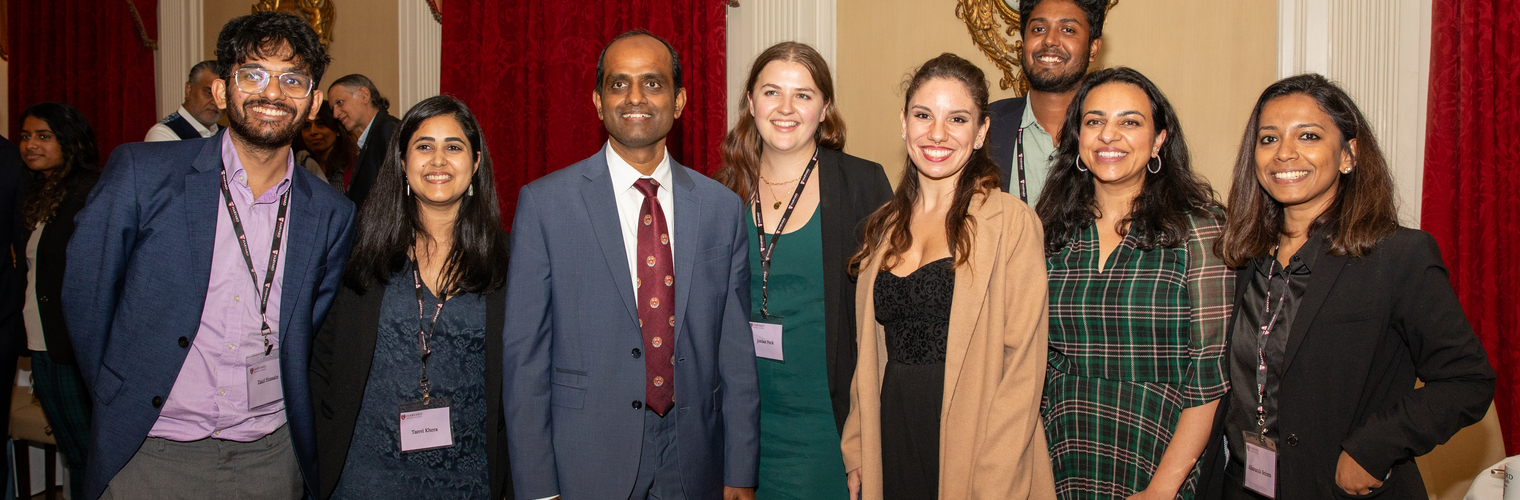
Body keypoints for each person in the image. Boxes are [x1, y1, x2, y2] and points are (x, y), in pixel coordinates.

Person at [63, 12, 354, 500]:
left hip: (270, 456)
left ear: (314, 101)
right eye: (253, 74)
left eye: (292, 79)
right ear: (221, 92)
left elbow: (310, 326)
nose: (272, 92)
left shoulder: (331, 212)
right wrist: (121, 397)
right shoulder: (143, 174)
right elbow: (86, 298)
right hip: (151, 452)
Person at [503, 29, 760, 500]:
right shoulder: (545, 205)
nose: (635, 97)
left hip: (694, 460)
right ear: (598, 102)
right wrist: (537, 488)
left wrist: (740, 472)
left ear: (680, 101)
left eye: (654, 83)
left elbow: (737, 355)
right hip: (586, 459)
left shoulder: (721, 209)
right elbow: (525, 363)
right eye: (618, 84)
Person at [1213, 74, 1494, 498]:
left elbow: (1467, 381)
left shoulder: (1398, 256)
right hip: (1243, 486)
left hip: (1341, 488)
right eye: (1268, 139)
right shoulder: (1238, 259)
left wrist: (1374, 448)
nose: (1284, 153)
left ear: (1348, 154)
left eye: (1307, 135)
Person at [841, 52, 1053, 500]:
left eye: (957, 119)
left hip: (976, 446)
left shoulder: (1010, 223)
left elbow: (1024, 371)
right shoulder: (882, 227)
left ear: (980, 133)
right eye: (923, 115)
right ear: (903, 122)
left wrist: (995, 481)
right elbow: (868, 354)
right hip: (893, 432)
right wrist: (858, 446)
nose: (937, 133)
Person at [1034, 67, 1230, 499]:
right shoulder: (1049, 230)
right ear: (1077, 140)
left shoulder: (1201, 229)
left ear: (1159, 139)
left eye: (1129, 121)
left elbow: (1208, 376)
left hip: (1158, 455)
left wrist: (1162, 489)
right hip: (1058, 453)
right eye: (1094, 121)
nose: (1109, 135)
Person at [712, 41, 891, 500]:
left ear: (825, 107)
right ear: (750, 103)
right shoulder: (718, 194)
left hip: (829, 428)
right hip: (739, 430)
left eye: (804, 95)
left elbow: (885, 326)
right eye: (772, 92)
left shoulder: (862, 184)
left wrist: (866, 445)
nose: (786, 108)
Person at [310, 95, 511, 499]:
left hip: (472, 477)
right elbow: (321, 364)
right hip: (366, 475)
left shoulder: (511, 262)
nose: (438, 160)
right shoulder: (357, 253)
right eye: (424, 146)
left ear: (475, 165)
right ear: (402, 162)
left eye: (453, 147)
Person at [17, 102, 101, 500]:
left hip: (71, 345)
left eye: (43, 136)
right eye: (26, 136)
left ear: (69, 141)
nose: (30, 144)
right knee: (73, 450)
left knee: (89, 451)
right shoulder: (40, 192)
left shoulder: (89, 191)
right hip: (42, 342)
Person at [987, 0, 1106, 204]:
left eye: (1068, 29)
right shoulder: (986, 126)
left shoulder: (1114, 134)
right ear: (1023, 41)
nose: (1050, 40)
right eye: (1039, 29)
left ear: (1093, 48)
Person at [328, 73, 400, 206]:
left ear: (364, 95)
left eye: (339, 103)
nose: (335, 114)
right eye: (332, 108)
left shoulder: (388, 130)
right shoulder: (372, 136)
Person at [145, 60, 223, 142]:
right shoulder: (163, 134)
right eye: (209, 93)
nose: (215, 102)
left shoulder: (227, 135)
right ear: (188, 90)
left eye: (223, 96)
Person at [293, 101, 357, 189]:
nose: (313, 132)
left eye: (321, 124)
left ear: (337, 130)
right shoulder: (297, 166)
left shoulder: (355, 166)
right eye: (307, 126)